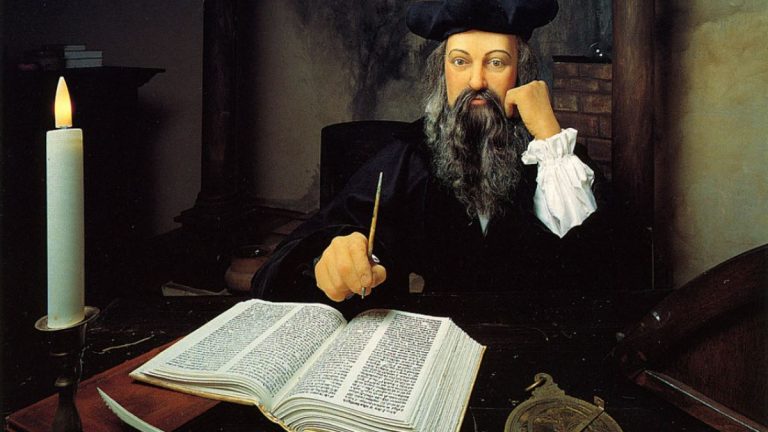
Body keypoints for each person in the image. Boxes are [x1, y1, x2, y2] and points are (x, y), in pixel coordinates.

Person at [252, 0, 612, 309]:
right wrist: (334, 256)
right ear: (443, 74)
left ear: (522, 74)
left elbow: (603, 270)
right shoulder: (411, 155)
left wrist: (550, 136)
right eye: (460, 62)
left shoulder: (556, 158)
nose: (476, 81)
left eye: (496, 63)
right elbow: (286, 260)